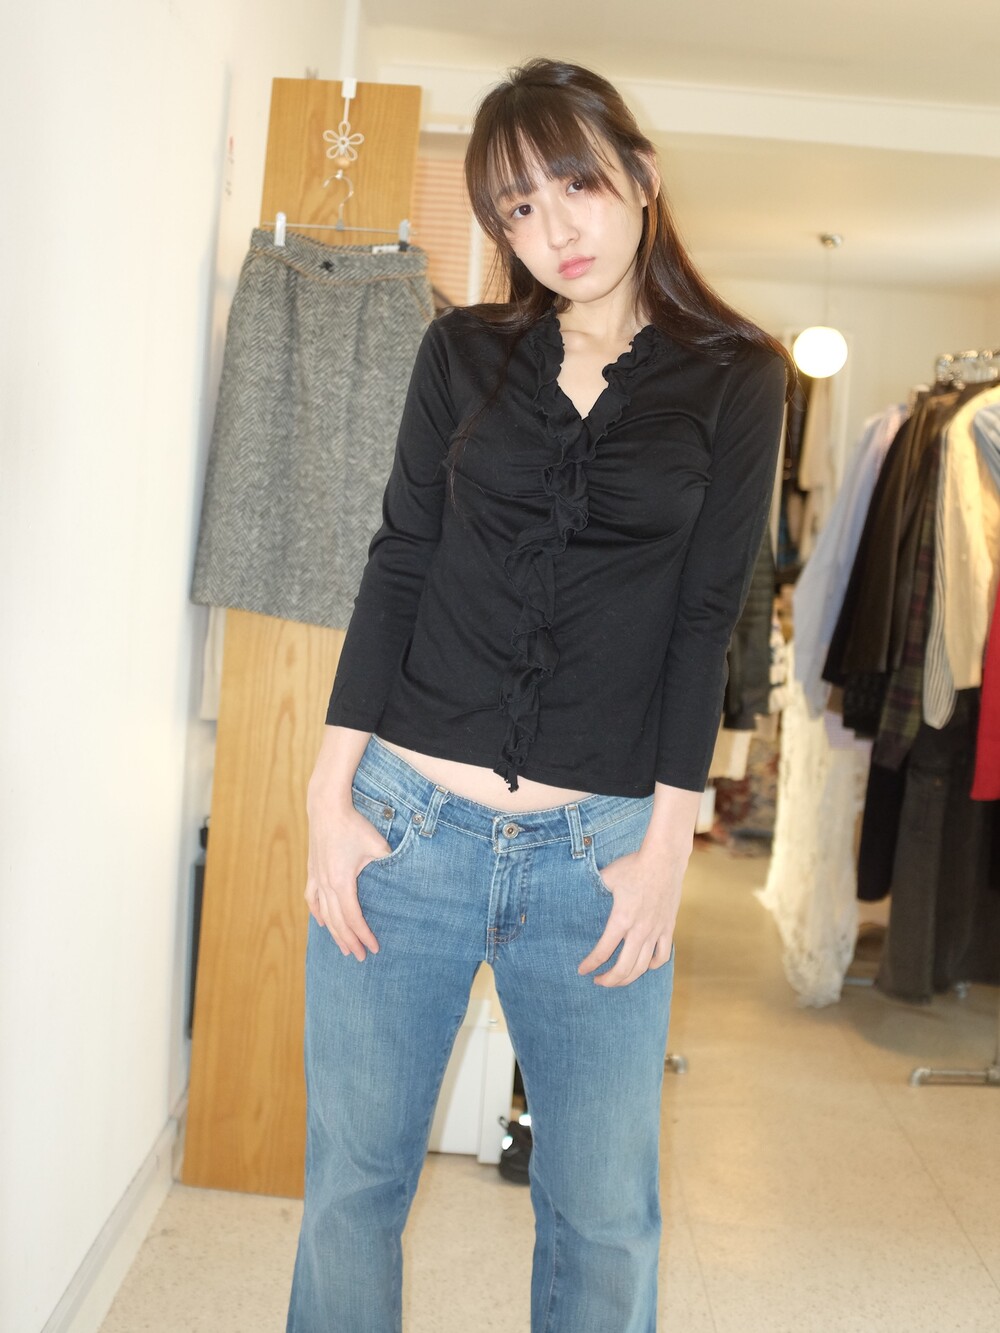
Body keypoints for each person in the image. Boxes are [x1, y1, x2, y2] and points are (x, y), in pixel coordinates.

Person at [286, 57, 792, 1333]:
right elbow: (400, 561)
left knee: (604, 1212)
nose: (554, 228)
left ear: (640, 176)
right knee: (351, 1186)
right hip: (404, 829)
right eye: (517, 208)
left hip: (598, 853)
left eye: (576, 184)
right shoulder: (461, 352)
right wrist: (327, 795)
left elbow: (703, 617)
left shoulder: (739, 375)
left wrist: (669, 844)